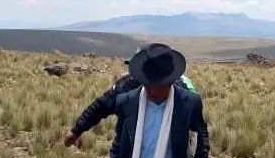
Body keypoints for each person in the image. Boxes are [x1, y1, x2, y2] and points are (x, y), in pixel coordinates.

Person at [64, 55, 196, 146]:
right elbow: (101, 106)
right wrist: (77, 130)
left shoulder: (180, 88)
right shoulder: (125, 86)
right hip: (131, 152)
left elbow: (195, 124)